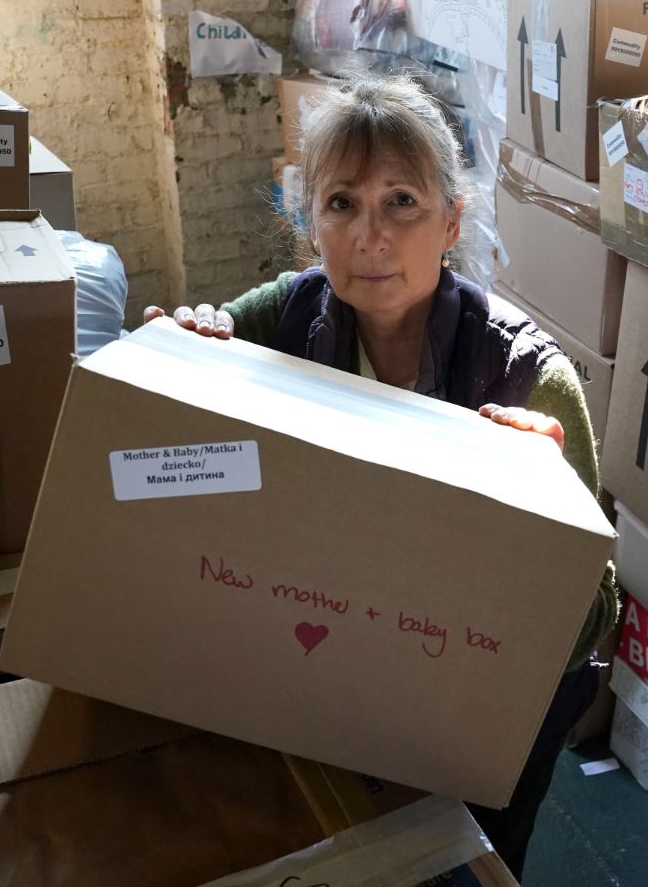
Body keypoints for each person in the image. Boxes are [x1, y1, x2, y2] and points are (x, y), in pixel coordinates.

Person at [143, 73, 619, 875]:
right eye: (342, 204)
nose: (372, 235)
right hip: (338, 672)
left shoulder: (527, 379)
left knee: (475, 860)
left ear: (450, 222)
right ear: (309, 224)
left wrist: (538, 521)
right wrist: (178, 357)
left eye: (402, 201)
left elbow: (585, 620)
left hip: (490, 702)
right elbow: (169, 437)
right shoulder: (280, 321)